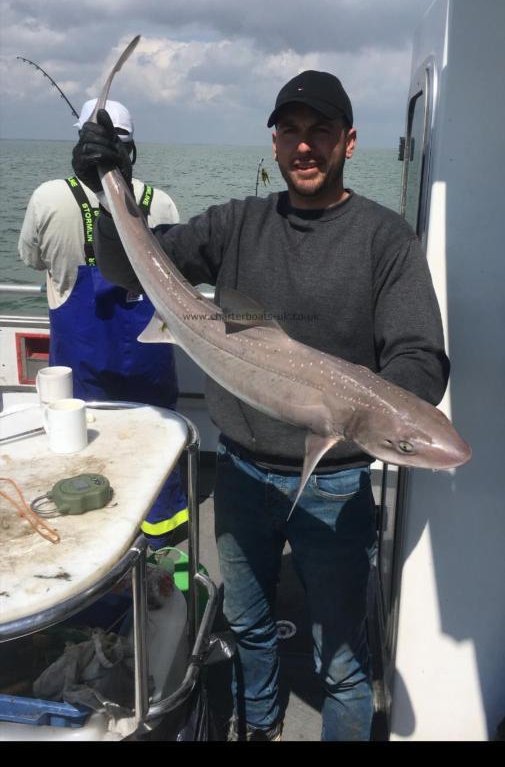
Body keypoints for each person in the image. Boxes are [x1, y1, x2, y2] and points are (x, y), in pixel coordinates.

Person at [71, 72, 450, 741]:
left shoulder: (384, 240)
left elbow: (418, 354)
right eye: (291, 133)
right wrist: (109, 190)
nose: (304, 147)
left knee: (342, 660)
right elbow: (135, 269)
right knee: (246, 626)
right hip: (242, 475)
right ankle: (259, 726)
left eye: (321, 132)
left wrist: (383, 408)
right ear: (274, 143)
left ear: (349, 143)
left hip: (333, 484)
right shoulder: (237, 223)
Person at [18, 99, 188, 549]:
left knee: (82, 454)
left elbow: (31, 258)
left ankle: (94, 548)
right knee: (156, 451)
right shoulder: (161, 202)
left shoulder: (49, 198)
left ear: (82, 142)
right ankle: (164, 551)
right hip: (149, 358)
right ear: (132, 149)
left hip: (78, 363)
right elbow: (177, 277)